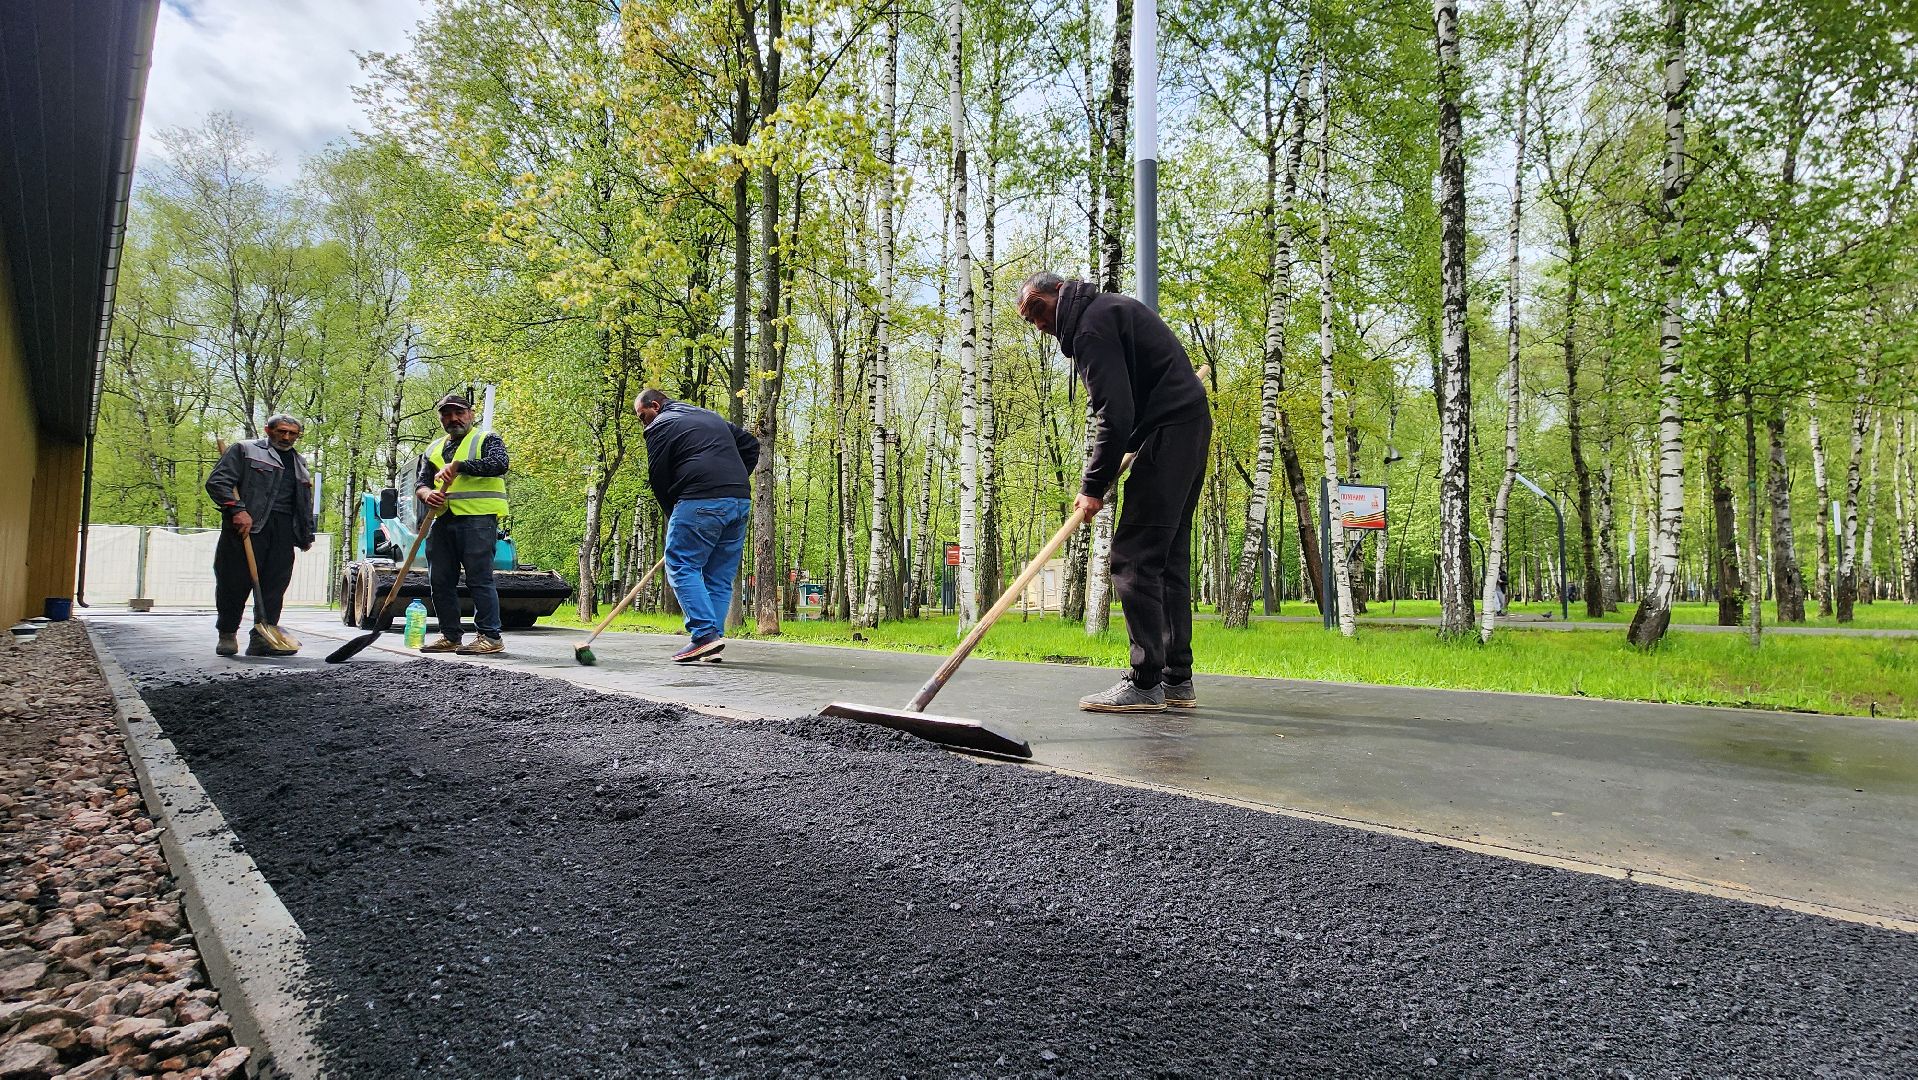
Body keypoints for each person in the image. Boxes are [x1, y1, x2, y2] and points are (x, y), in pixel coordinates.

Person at [1016, 272, 1211, 713]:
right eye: (1029, 320)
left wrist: (1091, 486)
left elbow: (1114, 412)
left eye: (1038, 310)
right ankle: (1175, 678)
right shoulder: (1107, 311)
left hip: (1170, 431)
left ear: (1058, 293)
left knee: (1134, 557)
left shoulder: (1090, 326)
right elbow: (1129, 406)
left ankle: (1146, 683)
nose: (1038, 324)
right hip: (1185, 426)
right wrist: (1104, 472)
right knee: (1165, 559)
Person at [634, 389, 760, 662]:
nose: (643, 423)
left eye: (642, 416)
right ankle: (711, 640)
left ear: (655, 406)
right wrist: (729, 482)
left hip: (700, 500)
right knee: (719, 575)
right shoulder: (709, 416)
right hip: (738, 500)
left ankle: (704, 634)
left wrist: (674, 516)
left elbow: (658, 478)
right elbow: (751, 445)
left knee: (681, 564)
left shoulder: (661, 425)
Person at [205, 415, 317, 657]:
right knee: (233, 582)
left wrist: (305, 533)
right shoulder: (244, 450)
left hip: (283, 530)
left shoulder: (299, 462)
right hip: (248, 527)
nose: (286, 437)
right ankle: (227, 634)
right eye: (281, 431)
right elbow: (218, 482)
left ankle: (262, 637)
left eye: (292, 433)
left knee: (274, 586)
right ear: (268, 430)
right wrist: (237, 509)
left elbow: (302, 501)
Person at [415, 393, 510, 655]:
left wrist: (461, 465)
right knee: (440, 580)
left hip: (478, 520)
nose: (453, 418)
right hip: (442, 520)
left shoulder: (487, 439)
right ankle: (450, 635)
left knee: (479, 579)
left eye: (459, 412)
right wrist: (426, 494)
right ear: (441, 418)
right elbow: (420, 483)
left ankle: (490, 636)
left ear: (470, 414)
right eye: (447, 414)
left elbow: (499, 464)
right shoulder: (433, 449)